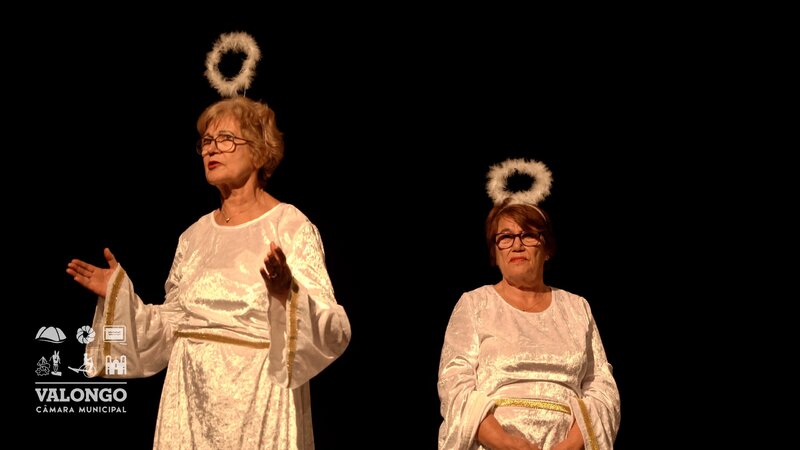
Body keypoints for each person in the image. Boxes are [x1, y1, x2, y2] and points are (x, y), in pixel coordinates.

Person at [66, 95, 351, 449]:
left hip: (257, 399)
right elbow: (170, 327)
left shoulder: (289, 226)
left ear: (259, 151)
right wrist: (119, 295)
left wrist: (287, 293)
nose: (211, 149)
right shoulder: (194, 236)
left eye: (226, 139)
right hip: (189, 400)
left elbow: (331, 326)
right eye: (206, 141)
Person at [437, 160, 620, 450]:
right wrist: (506, 442)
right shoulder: (475, 304)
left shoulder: (576, 307)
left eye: (529, 235)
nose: (517, 244)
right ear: (495, 252)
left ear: (547, 248)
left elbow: (601, 386)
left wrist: (571, 444)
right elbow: (455, 383)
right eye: (506, 237)